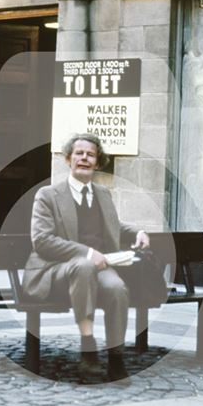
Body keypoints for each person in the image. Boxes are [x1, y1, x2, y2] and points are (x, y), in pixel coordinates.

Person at [23, 133, 150, 381]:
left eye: (90, 154)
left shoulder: (102, 193)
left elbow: (115, 226)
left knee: (116, 288)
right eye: (79, 153)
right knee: (83, 266)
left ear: (97, 162)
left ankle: (116, 357)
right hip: (55, 270)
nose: (84, 158)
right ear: (69, 159)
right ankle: (88, 345)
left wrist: (138, 231)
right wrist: (88, 253)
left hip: (99, 270)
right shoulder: (48, 195)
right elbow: (41, 240)